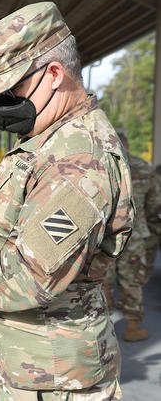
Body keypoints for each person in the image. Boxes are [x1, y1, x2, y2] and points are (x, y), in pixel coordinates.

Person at [0, 2, 133, 400]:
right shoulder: (50, 140)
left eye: (10, 90)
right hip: (30, 371)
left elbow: (24, 276)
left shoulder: (78, 160)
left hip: (56, 383)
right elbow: (19, 220)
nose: (2, 105)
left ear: (53, 74)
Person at [103, 131, 161, 341]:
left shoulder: (100, 166)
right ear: (127, 144)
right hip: (134, 235)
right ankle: (133, 328)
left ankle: (103, 333)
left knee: (103, 283)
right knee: (132, 281)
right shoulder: (144, 167)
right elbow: (155, 205)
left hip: (104, 238)